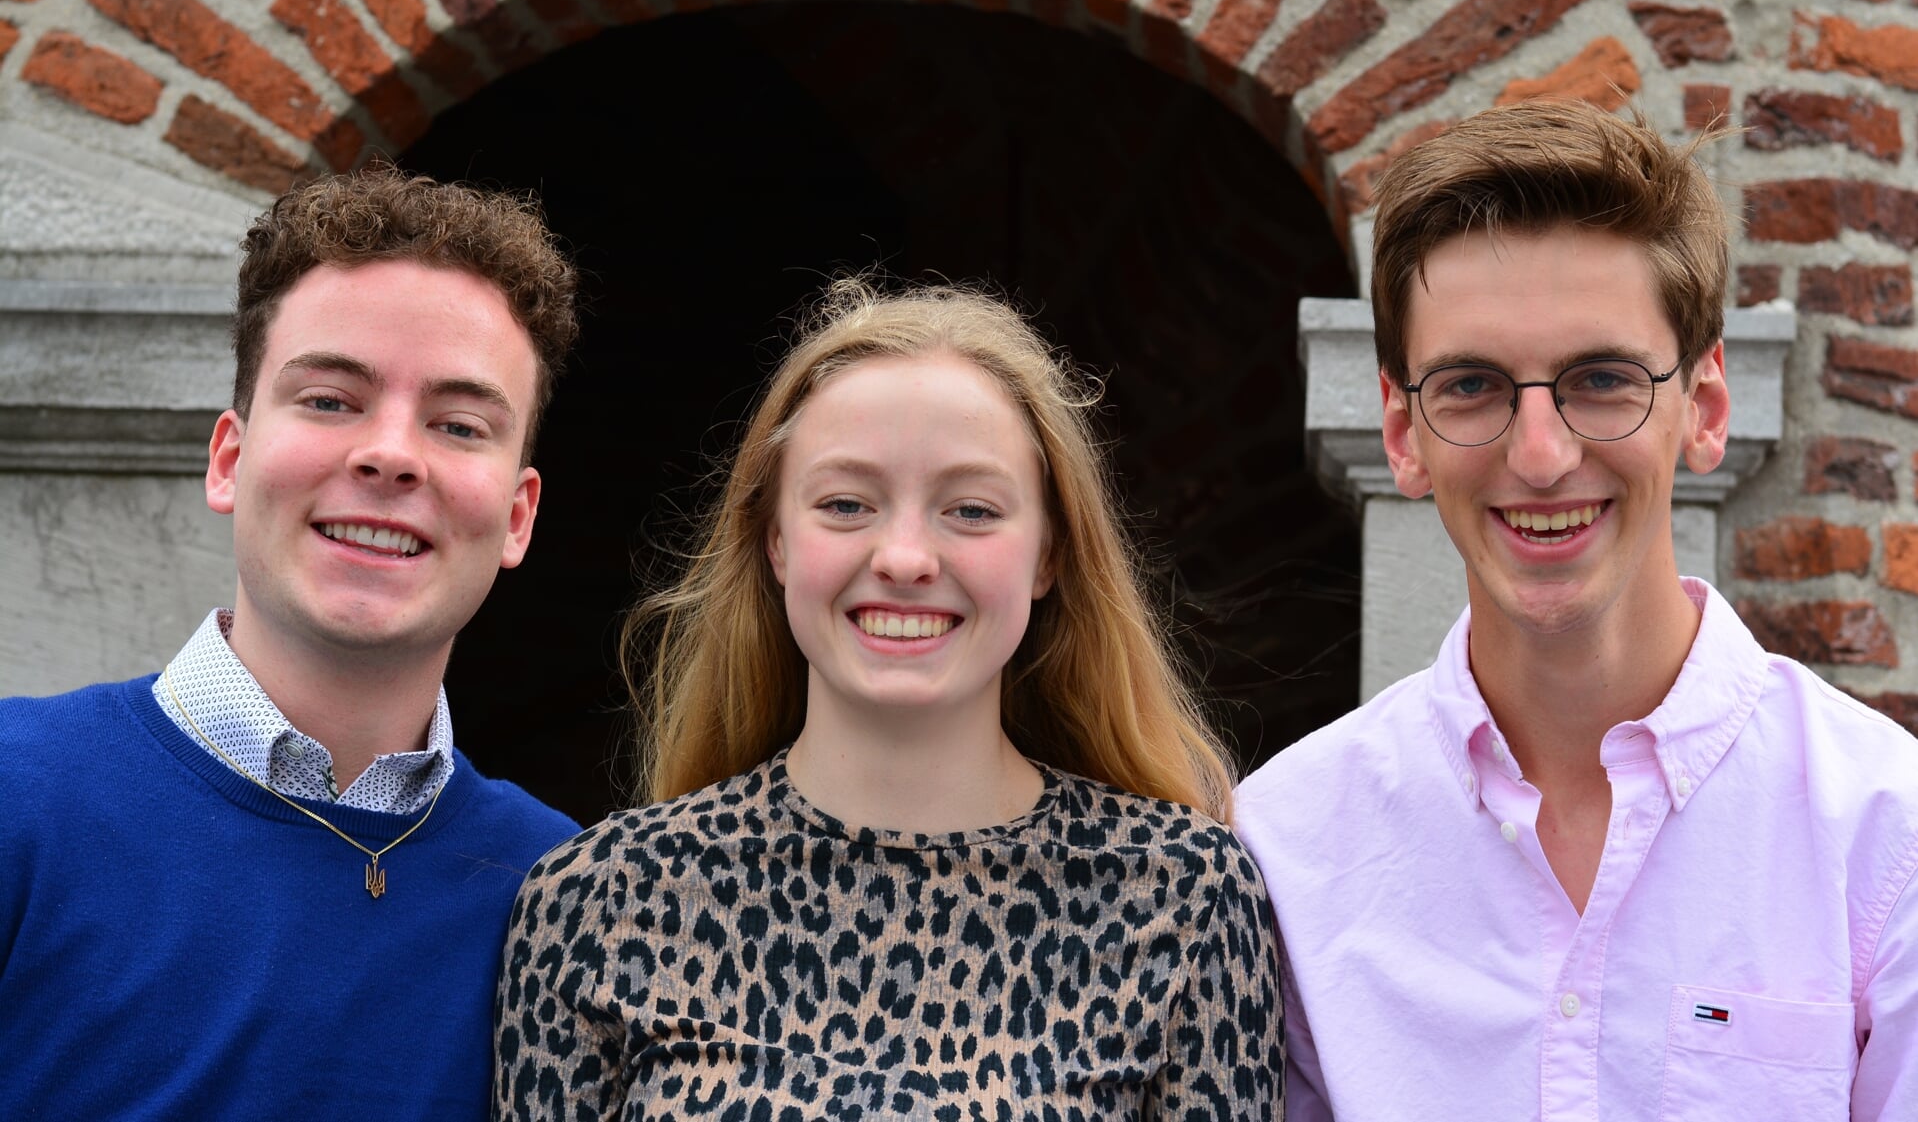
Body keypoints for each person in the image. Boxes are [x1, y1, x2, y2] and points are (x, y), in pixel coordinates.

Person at [1235, 98, 1918, 1120]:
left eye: (1602, 379)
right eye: (1471, 385)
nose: (1542, 456)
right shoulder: (1287, 846)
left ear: (1707, 407)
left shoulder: (1885, 833)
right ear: (1401, 431)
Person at [494, 278, 1283, 1120]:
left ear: (1049, 553)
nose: (905, 556)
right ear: (775, 543)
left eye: (971, 509)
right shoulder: (600, 901)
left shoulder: (1184, 897)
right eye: (846, 504)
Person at [0, 166, 583, 1120]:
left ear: (517, 518)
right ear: (229, 458)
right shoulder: (16, 800)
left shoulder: (561, 891)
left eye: (458, 423)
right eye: (329, 400)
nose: (391, 453)